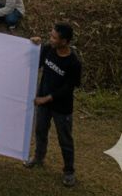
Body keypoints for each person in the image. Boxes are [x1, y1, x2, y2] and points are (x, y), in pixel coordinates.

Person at [25, 23, 82, 187]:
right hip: (43, 103)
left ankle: (69, 171)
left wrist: (46, 98)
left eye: (54, 37)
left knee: (65, 139)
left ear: (64, 41)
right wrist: (34, 45)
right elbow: (35, 61)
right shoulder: (49, 49)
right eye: (51, 36)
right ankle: (38, 158)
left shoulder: (73, 64)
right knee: (40, 131)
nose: (51, 39)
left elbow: (68, 88)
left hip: (61, 108)